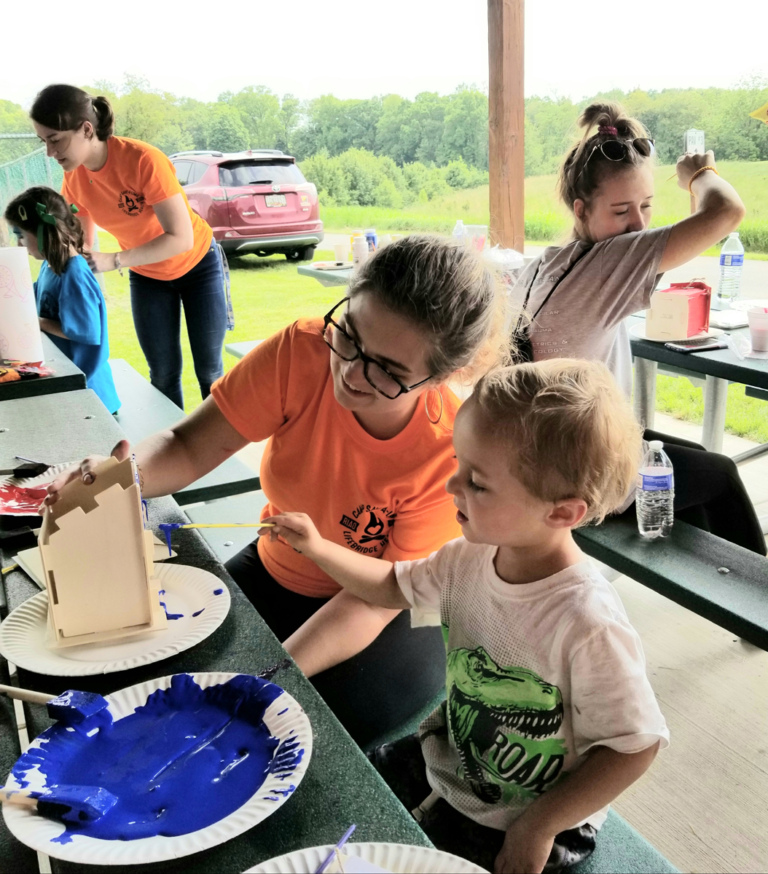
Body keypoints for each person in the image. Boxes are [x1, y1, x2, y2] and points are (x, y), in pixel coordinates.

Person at [45, 234, 509, 748]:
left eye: (388, 371)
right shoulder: (303, 351)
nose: (351, 372)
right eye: (349, 335)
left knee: (304, 735)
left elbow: (378, 598)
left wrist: (274, 672)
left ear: (443, 376)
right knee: (156, 680)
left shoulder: (445, 452)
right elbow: (189, 444)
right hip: (278, 568)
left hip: (387, 612)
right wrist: (121, 480)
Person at [266, 359, 670, 874]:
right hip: (450, 758)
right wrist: (318, 548)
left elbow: (634, 747)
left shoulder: (587, 621)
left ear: (562, 512)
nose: (450, 487)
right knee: (344, 804)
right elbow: (391, 587)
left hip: (533, 811)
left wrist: (538, 825)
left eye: (476, 483)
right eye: (458, 464)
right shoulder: (468, 556)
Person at [511, 102, 766, 555]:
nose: (639, 224)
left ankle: (717, 577)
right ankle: (753, 611)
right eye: (622, 210)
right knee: (721, 474)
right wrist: (698, 174)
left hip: (535, 452)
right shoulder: (611, 262)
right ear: (582, 210)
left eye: (646, 206)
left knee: (694, 463)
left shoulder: (546, 265)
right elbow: (725, 212)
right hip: (578, 471)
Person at [30, 83, 227, 410]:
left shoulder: (143, 160)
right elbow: (80, 244)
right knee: (163, 373)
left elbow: (181, 237)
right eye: (43, 142)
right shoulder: (74, 179)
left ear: (86, 129)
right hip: (148, 277)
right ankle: (172, 453)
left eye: (55, 140)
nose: (50, 152)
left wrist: (115, 259)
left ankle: (220, 455)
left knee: (210, 371)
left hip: (198, 267)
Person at [4, 186, 120, 414]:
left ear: (41, 232)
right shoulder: (51, 266)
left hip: (91, 394)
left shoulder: (74, 273)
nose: (19, 244)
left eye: (21, 236)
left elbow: (85, 330)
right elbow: (32, 299)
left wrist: (36, 321)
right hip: (68, 381)